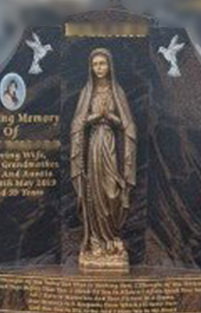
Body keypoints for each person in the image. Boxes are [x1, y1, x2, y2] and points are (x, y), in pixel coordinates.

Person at [69, 48, 137, 268]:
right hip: (93, 148)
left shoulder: (118, 92)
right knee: (95, 192)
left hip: (111, 145)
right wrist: (94, 117)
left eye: (102, 64)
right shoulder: (86, 92)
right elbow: (77, 124)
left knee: (112, 192)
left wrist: (111, 118)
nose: (99, 68)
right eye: (95, 64)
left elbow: (127, 125)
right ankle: (96, 240)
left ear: (110, 66)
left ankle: (113, 236)